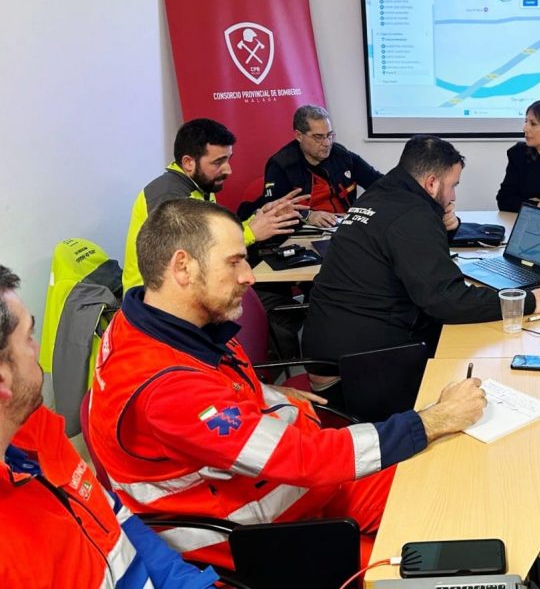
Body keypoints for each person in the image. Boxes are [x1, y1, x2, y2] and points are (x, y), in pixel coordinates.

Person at [89, 198, 487, 570]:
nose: (249, 277)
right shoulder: (165, 387)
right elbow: (305, 459)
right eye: (234, 262)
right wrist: (433, 419)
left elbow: (216, 396)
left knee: (445, 486)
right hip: (266, 539)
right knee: (430, 559)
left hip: (294, 489)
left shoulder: (153, 319)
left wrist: (272, 393)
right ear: (183, 267)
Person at [0, 265, 219, 589]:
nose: (37, 349)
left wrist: (189, 583)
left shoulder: (34, 431)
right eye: (29, 337)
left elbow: (117, 519)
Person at [305, 135, 540, 380]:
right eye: (453, 186)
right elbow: (447, 300)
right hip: (357, 364)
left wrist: (445, 229)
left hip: (333, 338)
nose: (453, 196)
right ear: (431, 183)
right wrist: (528, 301)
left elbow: (410, 254)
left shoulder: (382, 192)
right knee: (479, 365)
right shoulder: (412, 216)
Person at [123, 118, 305, 290]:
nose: (228, 170)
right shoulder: (169, 197)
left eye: (228, 159)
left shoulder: (200, 185)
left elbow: (212, 238)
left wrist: (261, 218)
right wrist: (251, 233)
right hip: (156, 301)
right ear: (188, 162)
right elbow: (191, 256)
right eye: (218, 162)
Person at [260, 105, 383, 228]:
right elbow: (272, 208)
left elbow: (380, 183)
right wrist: (308, 216)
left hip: (344, 225)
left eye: (329, 135)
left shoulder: (342, 156)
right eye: (318, 137)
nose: (327, 143)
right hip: (304, 230)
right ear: (299, 136)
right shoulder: (281, 165)